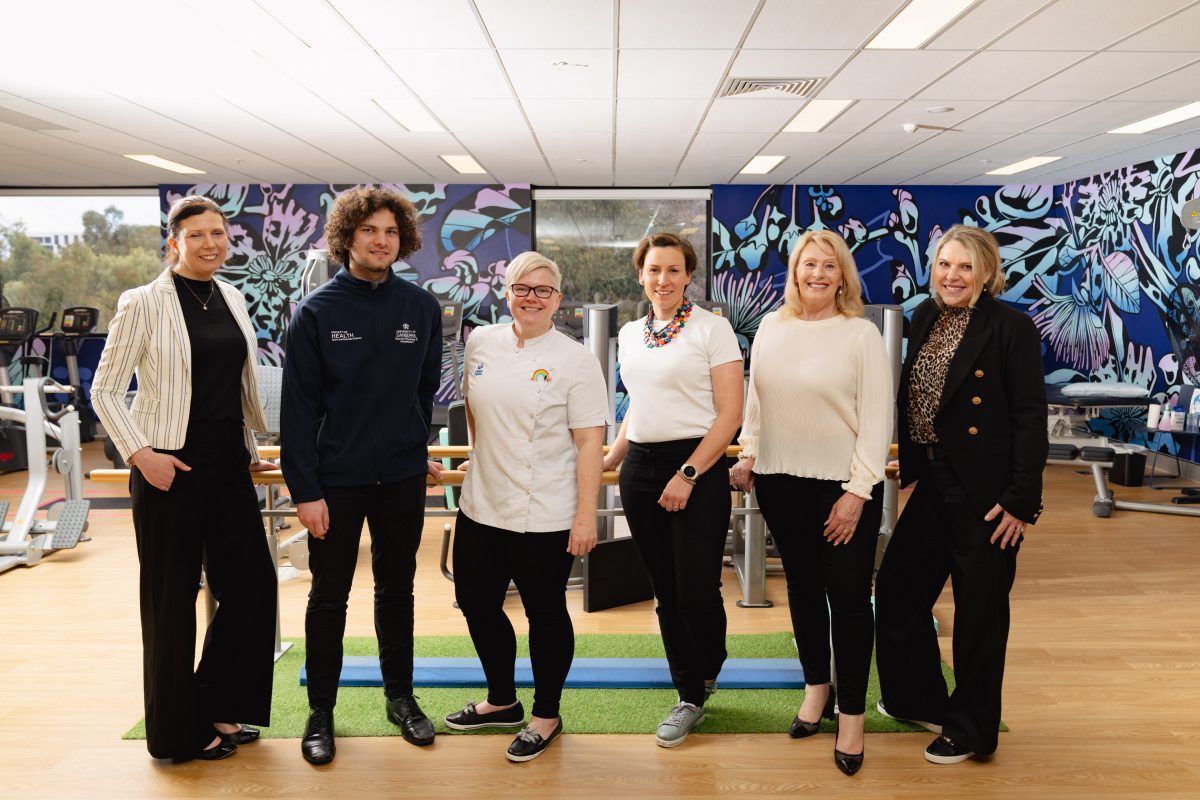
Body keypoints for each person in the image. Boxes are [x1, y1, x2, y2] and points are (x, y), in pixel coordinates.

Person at [91, 195, 277, 762]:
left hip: (227, 463)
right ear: (174, 243)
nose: (210, 243)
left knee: (251, 589)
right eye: (196, 235)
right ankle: (177, 734)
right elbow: (104, 389)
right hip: (167, 467)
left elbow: (236, 385)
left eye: (218, 233)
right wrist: (141, 454)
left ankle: (219, 704)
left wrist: (250, 446)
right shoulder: (143, 302)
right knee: (172, 602)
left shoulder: (233, 296)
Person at [280, 186, 444, 765]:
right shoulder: (317, 313)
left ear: (403, 241)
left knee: (397, 591)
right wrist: (306, 490)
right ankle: (320, 709)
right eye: (370, 231)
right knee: (329, 597)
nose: (381, 241)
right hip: (336, 481)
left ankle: (400, 697)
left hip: (400, 477)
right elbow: (297, 411)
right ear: (348, 236)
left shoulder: (420, 308)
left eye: (391, 232)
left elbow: (424, 393)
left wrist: (411, 444)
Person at [874, 224, 1048, 765]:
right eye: (945, 264)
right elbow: (923, 399)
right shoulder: (925, 316)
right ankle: (916, 697)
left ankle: (973, 731)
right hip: (935, 481)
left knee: (979, 615)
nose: (952, 276)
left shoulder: (1010, 327)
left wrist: (1021, 500)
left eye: (965, 267)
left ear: (987, 273)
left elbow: (1029, 416)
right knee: (899, 590)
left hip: (988, 494)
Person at [730, 229, 891, 776]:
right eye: (807, 264)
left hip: (843, 486)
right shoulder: (773, 327)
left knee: (847, 598)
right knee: (800, 588)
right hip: (779, 479)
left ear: (842, 275)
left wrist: (857, 492)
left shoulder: (861, 334)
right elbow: (758, 400)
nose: (818, 274)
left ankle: (851, 717)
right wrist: (750, 453)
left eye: (829, 265)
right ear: (794, 273)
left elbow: (876, 419)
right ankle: (817, 691)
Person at [442, 252, 609, 762]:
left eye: (542, 290)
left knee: (544, 612)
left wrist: (586, 516)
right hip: (482, 504)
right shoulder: (480, 341)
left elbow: (589, 443)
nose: (531, 297)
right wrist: (478, 457)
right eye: (521, 288)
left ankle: (546, 713)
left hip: (547, 511)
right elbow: (473, 409)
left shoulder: (576, 358)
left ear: (557, 301)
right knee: (475, 602)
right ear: (507, 292)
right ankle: (501, 700)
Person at [602, 232, 743, 748]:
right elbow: (638, 403)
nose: (663, 280)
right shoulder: (633, 333)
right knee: (664, 589)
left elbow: (730, 414)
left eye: (674, 271)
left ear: (688, 276)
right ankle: (689, 692)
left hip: (696, 464)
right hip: (640, 465)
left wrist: (688, 474)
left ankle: (709, 663)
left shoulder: (713, 329)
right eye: (654, 270)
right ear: (641, 274)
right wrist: (613, 456)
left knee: (696, 589)